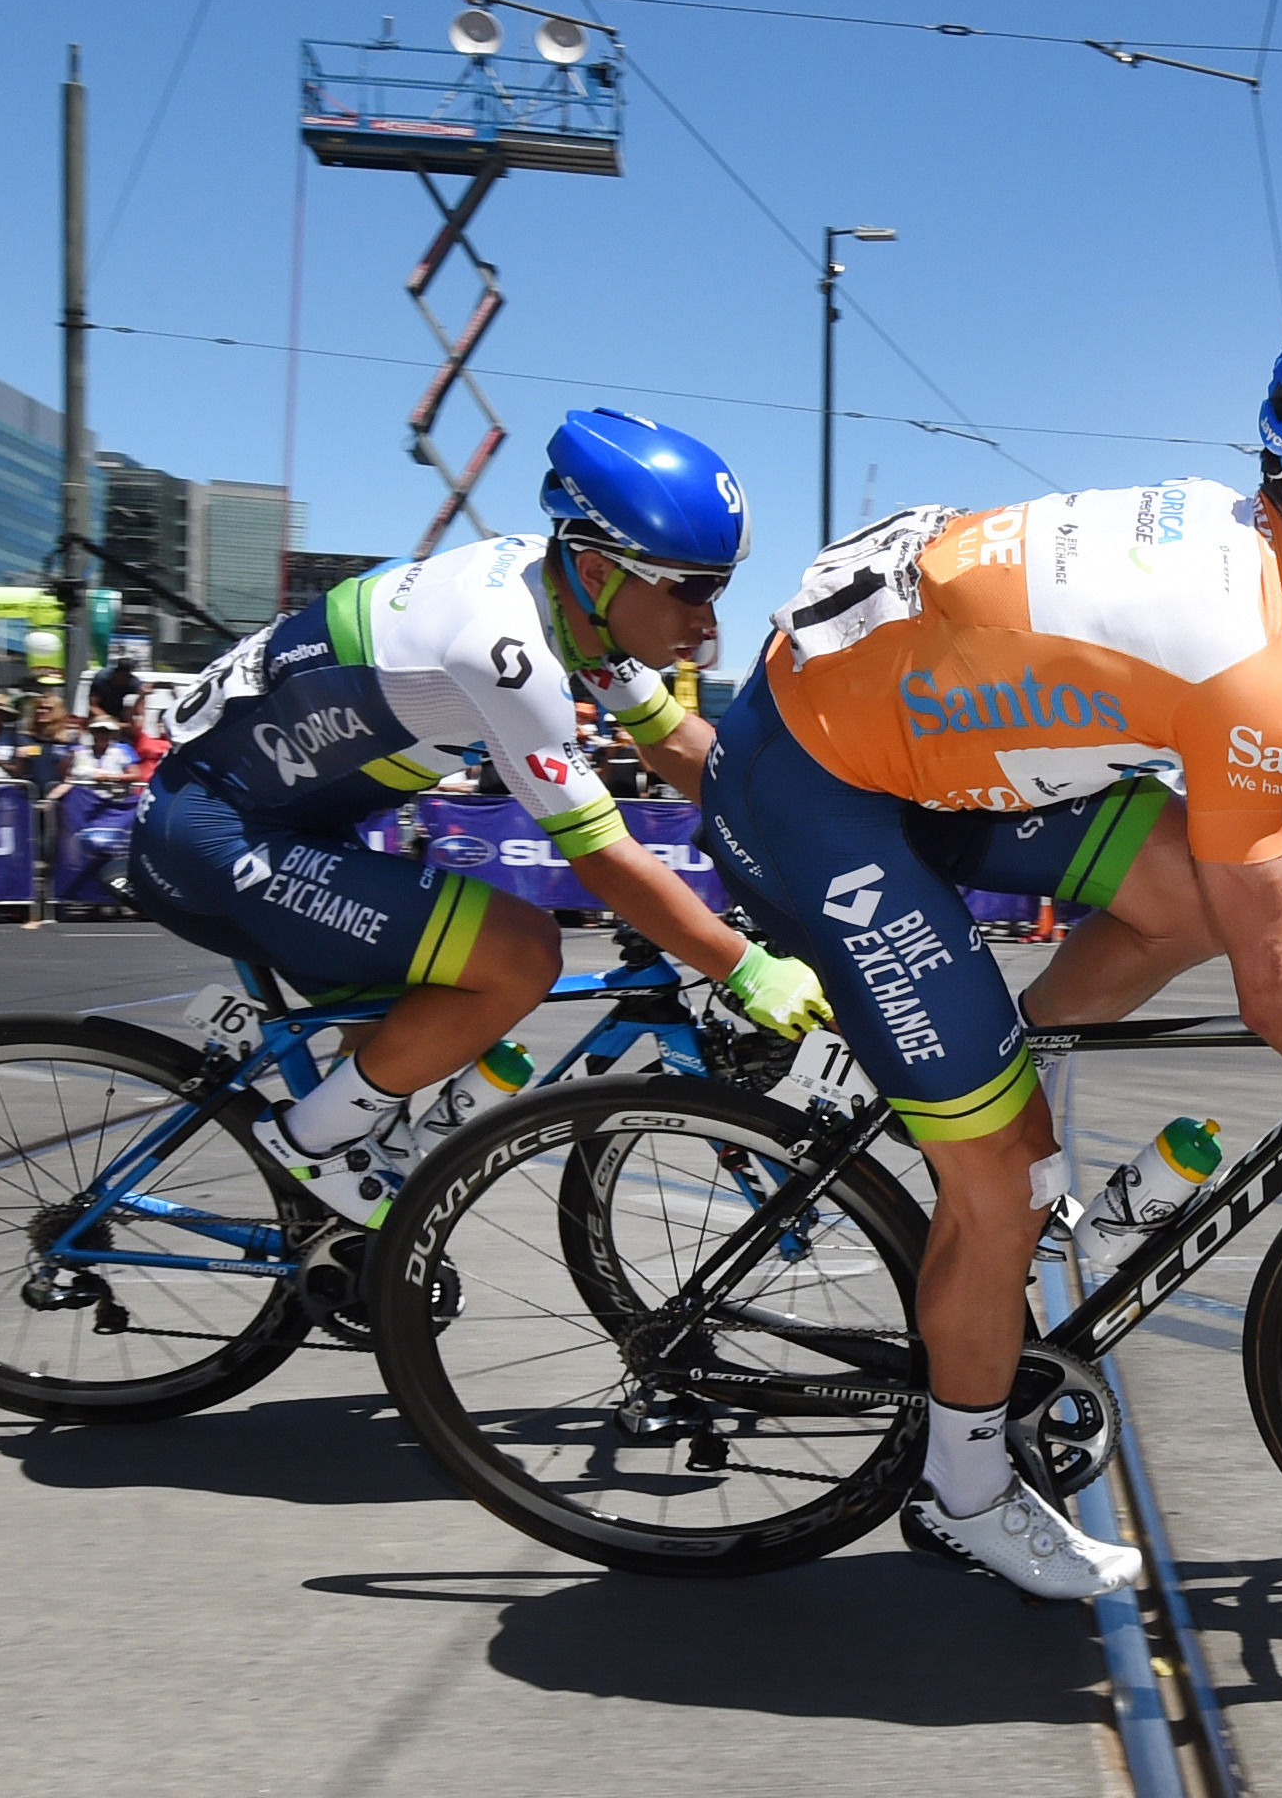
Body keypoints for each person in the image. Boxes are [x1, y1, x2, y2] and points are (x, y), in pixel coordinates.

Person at [699, 319, 1282, 1601]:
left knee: (1176, 894)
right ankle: (964, 1489)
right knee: (996, 1184)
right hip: (814, 792)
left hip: (915, 749)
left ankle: (999, 1111)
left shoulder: (1257, 570)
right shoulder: (1232, 653)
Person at [128, 408, 829, 1228]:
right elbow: (601, 855)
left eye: (721, 590)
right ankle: (310, 1145)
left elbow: (679, 745)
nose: (709, 622)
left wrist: (817, 838)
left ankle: (338, 1231)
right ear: (603, 569)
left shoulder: (569, 598)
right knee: (520, 954)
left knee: (430, 1023)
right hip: (215, 829)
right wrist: (742, 966)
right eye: (694, 590)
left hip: (291, 824)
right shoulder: (505, 646)